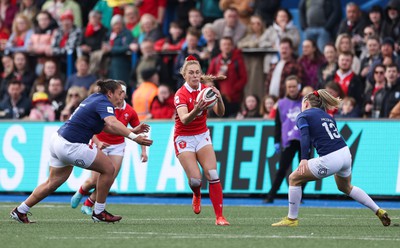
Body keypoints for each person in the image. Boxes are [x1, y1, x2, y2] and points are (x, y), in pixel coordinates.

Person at [10, 79, 153, 224]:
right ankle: (99, 212)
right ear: (110, 93)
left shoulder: (94, 98)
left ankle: (20, 210)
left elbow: (104, 126)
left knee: (52, 182)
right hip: (72, 144)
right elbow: (112, 122)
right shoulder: (104, 103)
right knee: (109, 169)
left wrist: (130, 131)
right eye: (120, 92)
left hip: (58, 140)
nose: (123, 95)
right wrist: (134, 137)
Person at [271, 89, 391, 227]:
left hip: (331, 157)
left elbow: (304, 137)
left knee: (294, 178)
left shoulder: (303, 115)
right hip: (345, 153)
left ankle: (291, 219)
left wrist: (304, 158)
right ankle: (378, 210)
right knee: (346, 187)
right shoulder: (328, 116)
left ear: (306, 103)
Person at [70, 81, 149, 215]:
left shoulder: (129, 111)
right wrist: (98, 142)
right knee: (95, 180)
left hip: (117, 146)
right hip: (100, 142)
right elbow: (93, 127)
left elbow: (139, 131)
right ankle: (82, 191)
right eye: (118, 93)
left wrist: (143, 151)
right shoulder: (104, 106)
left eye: (122, 93)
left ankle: (89, 203)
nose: (120, 96)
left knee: (109, 178)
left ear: (124, 94)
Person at [174, 55, 229, 226]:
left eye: (197, 72)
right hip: (184, 138)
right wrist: (197, 108)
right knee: (196, 180)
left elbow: (220, 113)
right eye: (191, 73)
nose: (195, 75)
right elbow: (184, 120)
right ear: (185, 75)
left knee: (212, 173)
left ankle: (219, 216)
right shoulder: (180, 94)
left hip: (202, 135)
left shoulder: (206, 90)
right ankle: (197, 194)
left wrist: (219, 98)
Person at [264, 75, 303, 204]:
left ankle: (299, 196)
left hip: (304, 139)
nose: (292, 89)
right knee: (282, 169)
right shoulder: (281, 104)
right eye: (289, 87)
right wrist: (276, 141)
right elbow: (278, 124)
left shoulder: (305, 101)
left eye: (294, 86)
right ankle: (271, 195)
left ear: (298, 86)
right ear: (286, 88)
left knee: (305, 171)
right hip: (289, 140)